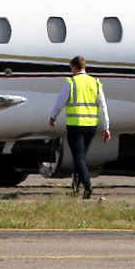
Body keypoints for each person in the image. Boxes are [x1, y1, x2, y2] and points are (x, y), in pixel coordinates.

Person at [49, 56, 111, 199]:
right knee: (81, 157)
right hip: (91, 126)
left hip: (75, 125)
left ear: (74, 67)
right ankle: (76, 188)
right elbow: (103, 106)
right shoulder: (95, 82)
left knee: (78, 157)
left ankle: (87, 185)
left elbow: (60, 102)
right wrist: (106, 127)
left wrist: (53, 117)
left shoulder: (71, 82)